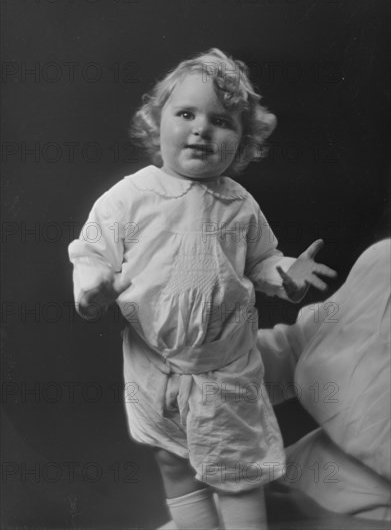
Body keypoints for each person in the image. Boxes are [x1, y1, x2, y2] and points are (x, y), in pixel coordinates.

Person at [68, 48, 336, 530]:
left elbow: (261, 261)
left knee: (238, 469)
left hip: (225, 369)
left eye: (221, 121)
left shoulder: (239, 205)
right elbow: (91, 255)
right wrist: (93, 291)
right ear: (158, 122)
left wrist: (286, 276)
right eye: (186, 114)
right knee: (174, 459)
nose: (201, 129)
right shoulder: (131, 197)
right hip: (156, 365)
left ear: (243, 141)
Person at [259, 239, 391, 528]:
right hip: (288, 478)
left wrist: (316, 521)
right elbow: (298, 348)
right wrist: (215, 358)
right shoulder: (384, 262)